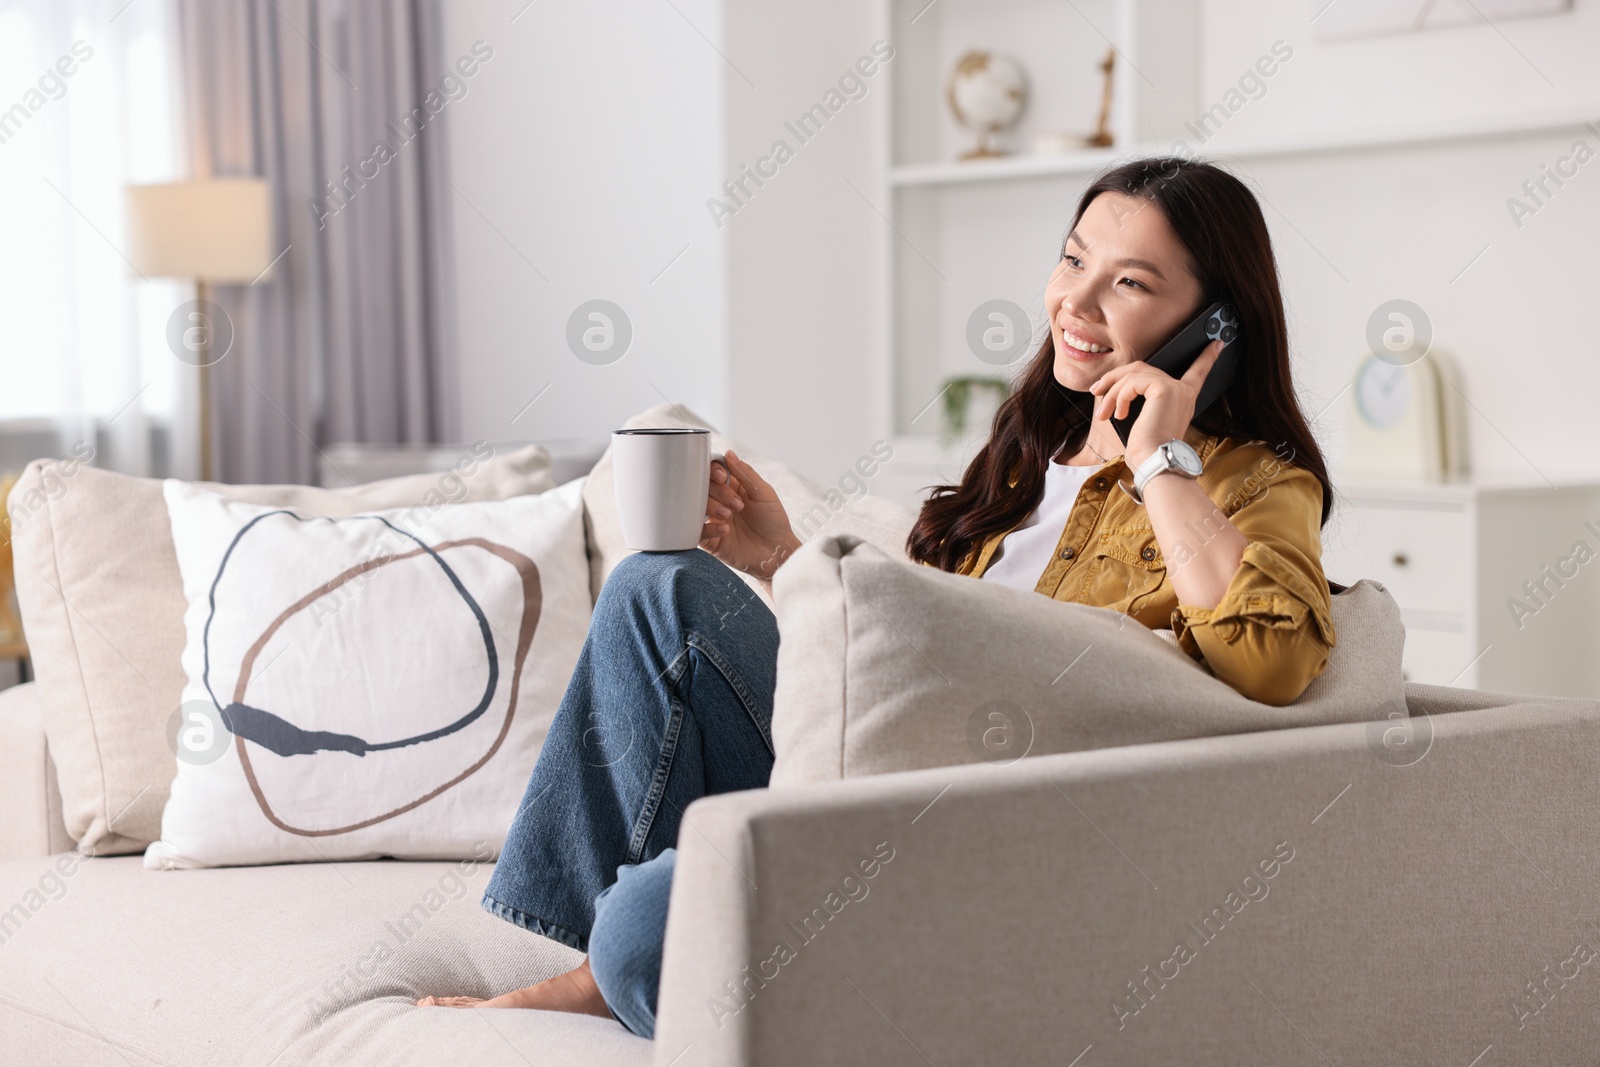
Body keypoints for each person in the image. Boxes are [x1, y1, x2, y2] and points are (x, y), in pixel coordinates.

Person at [416, 155, 1338, 1036]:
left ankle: (614, 963)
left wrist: (1160, 458)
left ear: (1214, 325)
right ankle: (593, 972)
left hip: (976, 840)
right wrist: (779, 554)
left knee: (656, 924)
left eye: (1130, 284)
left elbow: (1274, 654)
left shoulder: (1254, 482)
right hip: (881, 771)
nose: (1077, 304)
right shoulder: (1032, 455)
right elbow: (920, 644)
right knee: (659, 584)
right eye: (1071, 260)